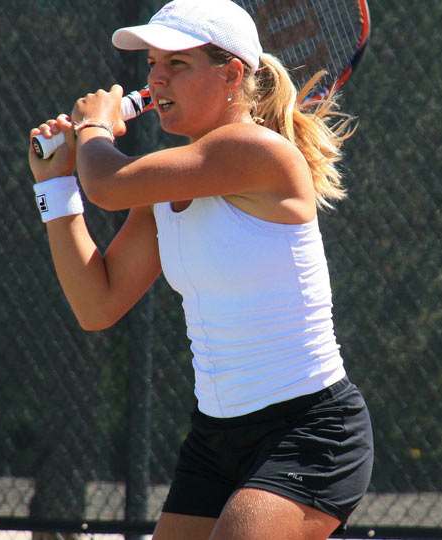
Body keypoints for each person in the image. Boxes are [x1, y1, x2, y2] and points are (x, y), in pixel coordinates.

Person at [29, 1, 373, 538]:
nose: (156, 78)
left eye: (177, 64)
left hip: (309, 432)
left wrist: (94, 126)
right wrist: (54, 185)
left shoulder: (256, 149)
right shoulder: (168, 185)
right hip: (215, 439)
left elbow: (108, 186)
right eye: (152, 64)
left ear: (232, 74)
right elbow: (97, 304)